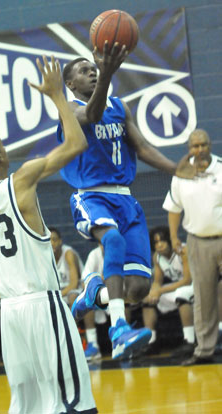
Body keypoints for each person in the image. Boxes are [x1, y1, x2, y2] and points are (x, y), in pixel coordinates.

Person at [57, 42, 198, 360]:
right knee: (114, 241)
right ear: (70, 83)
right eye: (85, 71)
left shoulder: (120, 108)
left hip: (126, 200)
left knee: (138, 289)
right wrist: (107, 70)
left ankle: (95, 293)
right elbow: (92, 114)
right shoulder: (67, 107)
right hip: (91, 195)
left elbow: (143, 148)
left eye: (94, 69)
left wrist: (177, 169)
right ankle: (118, 328)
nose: (92, 73)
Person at [0, 56, 97, 414]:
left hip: (9, 317)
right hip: (41, 305)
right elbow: (76, 144)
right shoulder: (21, 181)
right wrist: (58, 97)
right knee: (73, 403)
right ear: (1, 154)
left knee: (28, 407)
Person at [163, 128, 222, 366]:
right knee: (203, 297)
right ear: (189, 149)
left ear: (210, 145)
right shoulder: (180, 175)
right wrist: (174, 236)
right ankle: (204, 351)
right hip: (197, 241)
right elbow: (174, 208)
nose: (199, 150)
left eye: (203, 145)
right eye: (194, 146)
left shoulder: (221, 167)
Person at [142, 226, 195, 358]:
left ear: (169, 240)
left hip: (196, 285)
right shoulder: (157, 257)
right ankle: (152, 343)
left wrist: (160, 290)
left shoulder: (183, 250)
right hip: (177, 287)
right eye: (156, 242)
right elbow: (158, 281)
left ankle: (190, 341)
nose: (159, 245)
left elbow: (187, 280)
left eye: (162, 241)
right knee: (147, 300)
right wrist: (154, 291)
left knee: (181, 294)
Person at [49, 226, 83, 308]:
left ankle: (73, 321)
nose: (52, 243)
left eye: (54, 240)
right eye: (49, 240)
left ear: (60, 241)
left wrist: (57, 295)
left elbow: (74, 284)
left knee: (72, 296)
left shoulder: (68, 253)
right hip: (59, 293)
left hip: (76, 289)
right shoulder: (45, 257)